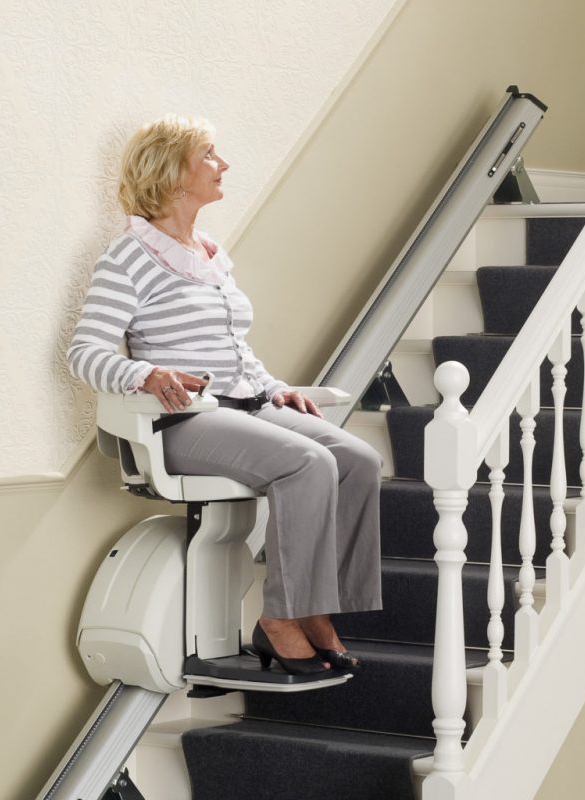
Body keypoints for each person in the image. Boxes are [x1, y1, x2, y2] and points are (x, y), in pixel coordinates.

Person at [67, 116, 381, 676]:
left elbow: (232, 347)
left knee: (358, 460)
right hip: (187, 420)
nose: (224, 164)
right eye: (209, 154)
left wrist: (275, 388)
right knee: (308, 464)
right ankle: (278, 620)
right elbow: (84, 351)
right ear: (170, 171)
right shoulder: (130, 257)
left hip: (249, 404)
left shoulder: (210, 253)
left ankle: (316, 609)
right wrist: (146, 374)